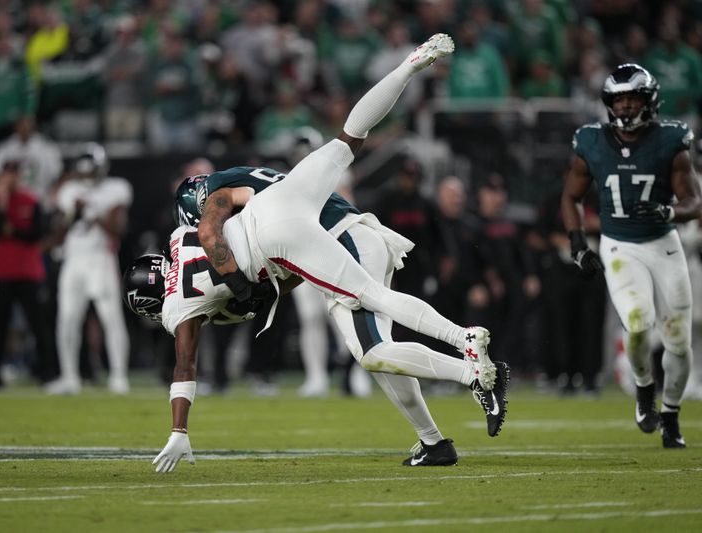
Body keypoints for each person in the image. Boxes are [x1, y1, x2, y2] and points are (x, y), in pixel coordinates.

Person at [126, 34, 508, 472]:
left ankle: (468, 352)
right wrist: (250, 287)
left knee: (370, 333)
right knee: (351, 136)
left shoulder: (185, 275)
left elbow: (186, 358)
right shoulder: (193, 229)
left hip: (318, 236)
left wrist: (178, 431)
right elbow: (239, 235)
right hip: (293, 205)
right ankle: (409, 65)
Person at [561, 64, 702, 449]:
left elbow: (694, 201)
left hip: (664, 244)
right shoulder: (591, 141)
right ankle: (644, 388)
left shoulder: (671, 140)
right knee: (638, 322)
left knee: (677, 341)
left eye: (631, 98)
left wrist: (670, 212)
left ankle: (670, 413)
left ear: (649, 100)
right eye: (618, 99)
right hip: (620, 245)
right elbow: (571, 196)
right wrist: (577, 246)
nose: (624, 106)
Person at [45, 143, 133, 395]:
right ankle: (69, 377)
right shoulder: (69, 190)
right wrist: (73, 213)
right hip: (74, 259)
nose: (87, 176)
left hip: (100, 258)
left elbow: (119, 229)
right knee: (67, 320)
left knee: (111, 318)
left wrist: (93, 213)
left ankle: (118, 376)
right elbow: (59, 230)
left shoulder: (116, 189)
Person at [0, 159, 49, 393]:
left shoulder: (30, 200)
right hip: (2, 271)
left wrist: (15, 231)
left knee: (38, 325)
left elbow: (37, 234)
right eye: (6, 174)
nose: (10, 178)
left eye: (14, 173)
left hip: (28, 270)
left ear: (19, 176)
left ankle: (47, 374)